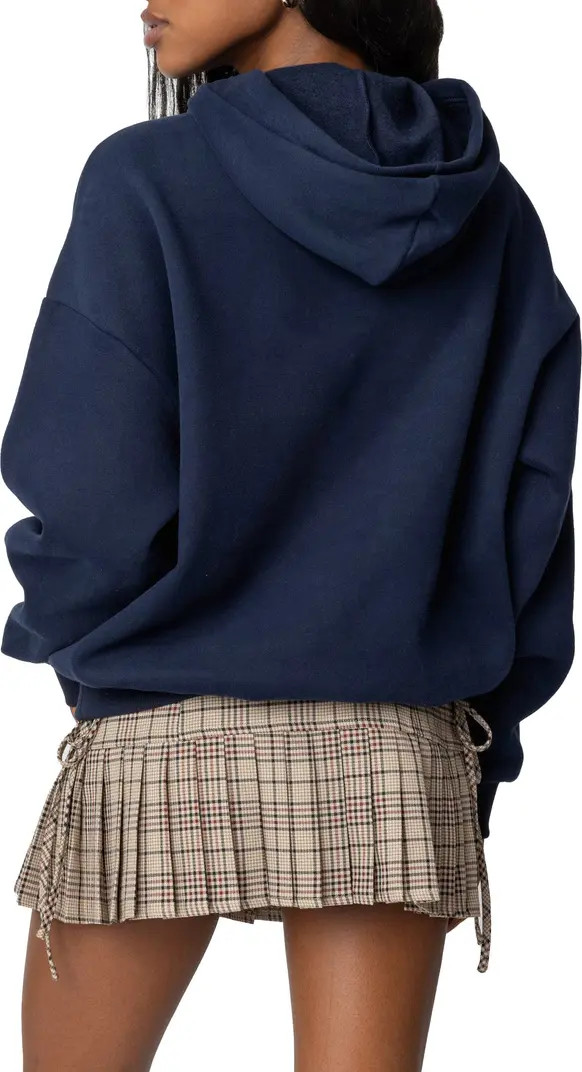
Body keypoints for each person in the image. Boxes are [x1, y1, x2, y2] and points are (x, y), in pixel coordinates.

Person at [1, 2, 579, 1070]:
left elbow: (87, 484)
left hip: (163, 720)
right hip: (396, 745)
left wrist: (94, 657)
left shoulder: (147, 176)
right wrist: (476, 744)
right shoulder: (494, 211)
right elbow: (529, 517)